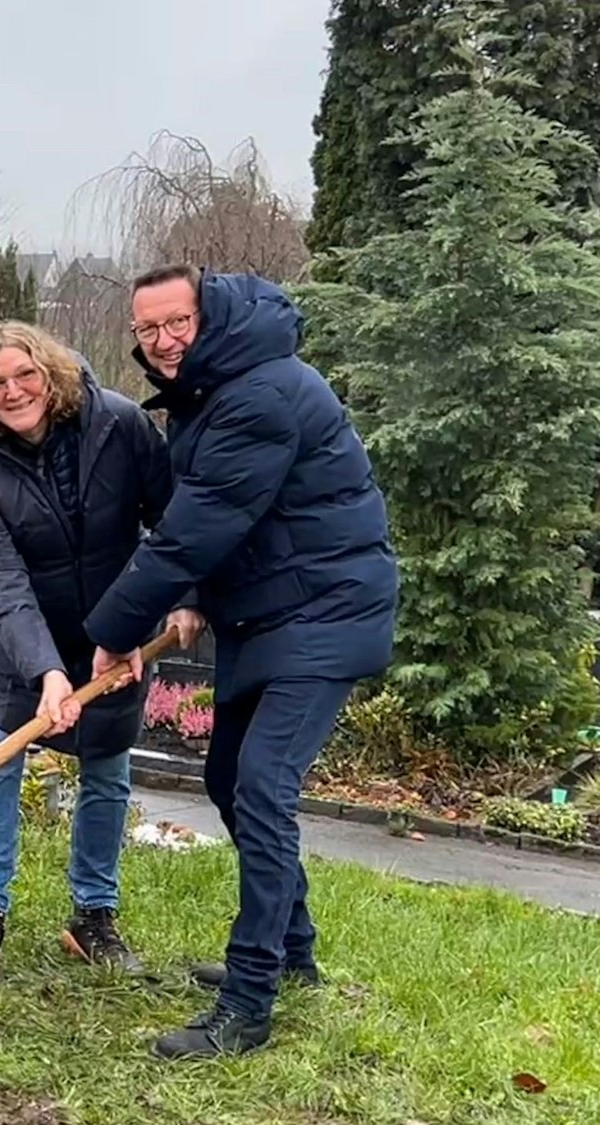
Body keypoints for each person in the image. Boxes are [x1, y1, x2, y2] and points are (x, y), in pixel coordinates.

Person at [84, 266, 398, 1060]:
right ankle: (293, 951)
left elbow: (197, 526)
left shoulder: (258, 393)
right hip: (271, 614)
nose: (162, 341)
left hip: (323, 611)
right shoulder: (218, 390)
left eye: (176, 322)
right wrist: (187, 593)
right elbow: (212, 518)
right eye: (148, 329)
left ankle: (249, 1001)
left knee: (261, 786)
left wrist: (117, 629)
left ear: (210, 315)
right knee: (227, 778)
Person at [0, 320, 205, 981]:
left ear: (51, 371)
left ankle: (93, 915)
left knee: (106, 763)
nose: (14, 392)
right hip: (19, 630)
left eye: (25, 375)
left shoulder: (117, 424)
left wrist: (183, 597)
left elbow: (175, 517)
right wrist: (45, 670)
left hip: (116, 625)